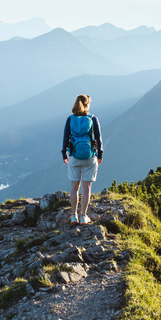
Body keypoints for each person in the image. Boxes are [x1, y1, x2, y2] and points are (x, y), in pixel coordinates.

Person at [62, 94, 103, 225]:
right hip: (90, 157)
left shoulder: (70, 119)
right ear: (87, 105)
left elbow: (65, 138)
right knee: (87, 188)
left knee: (74, 187)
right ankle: (84, 216)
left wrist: (64, 154)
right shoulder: (93, 118)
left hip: (74, 156)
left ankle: (73, 216)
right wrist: (100, 154)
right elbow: (98, 139)